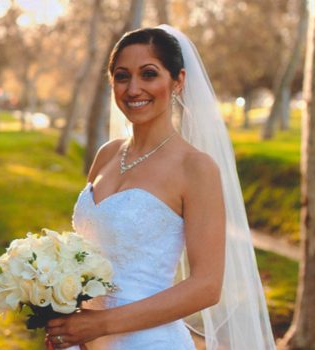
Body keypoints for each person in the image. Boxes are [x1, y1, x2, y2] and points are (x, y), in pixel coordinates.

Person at [46, 25, 276, 350]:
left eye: (149, 74)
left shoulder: (195, 168)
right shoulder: (107, 154)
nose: (134, 88)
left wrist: (100, 323)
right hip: (81, 341)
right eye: (122, 76)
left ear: (178, 81)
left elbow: (206, 286)